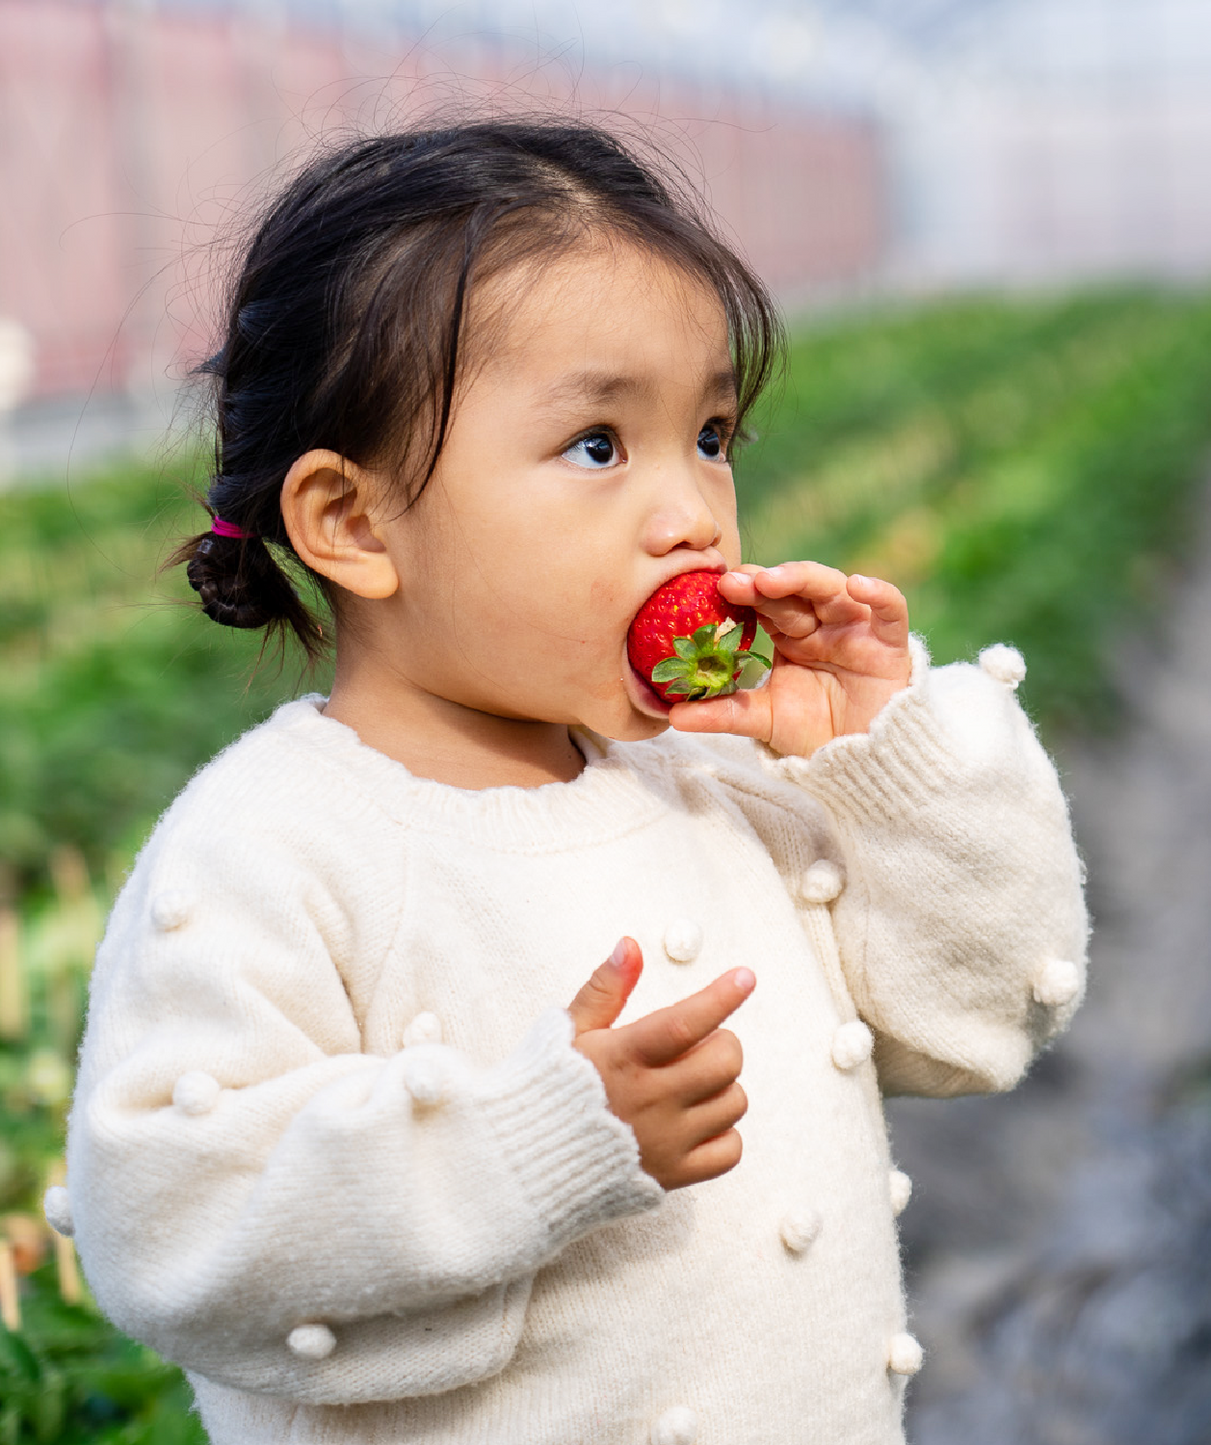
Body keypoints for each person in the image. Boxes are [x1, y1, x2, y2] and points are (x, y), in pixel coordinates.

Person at [52, 118, 1089, 1445]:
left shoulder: (717, 776)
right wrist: (530, 1143)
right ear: (355, 524)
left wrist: (887, 763)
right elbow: (170, 1223)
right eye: (600, 445)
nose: (693, 514)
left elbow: (982, 1019)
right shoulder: (275, 846)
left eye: (711, 436)